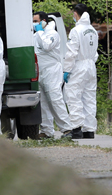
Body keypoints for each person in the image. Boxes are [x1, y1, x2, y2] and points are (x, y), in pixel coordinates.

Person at [33, 11, 73, 139]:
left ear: (44, 21)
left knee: (55, 99)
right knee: (43, 102)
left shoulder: (52, 34)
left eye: (37, 21)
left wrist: (39, 32)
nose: (35, 24)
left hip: (52, 70)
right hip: (40, 70)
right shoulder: (35, 35)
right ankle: (46, 131)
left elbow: (46, 46)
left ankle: (67, 129)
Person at [63, 4, 99, 139]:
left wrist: (66, 69)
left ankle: (76, 129)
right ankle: (89, 130)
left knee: (74, 96)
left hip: (79, 66)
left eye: (73, 14)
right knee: (89, 98)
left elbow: (71, 52)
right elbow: (95, 53)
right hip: (91, 65)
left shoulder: (76, 31)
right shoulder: (93, 30)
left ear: (77, 14)